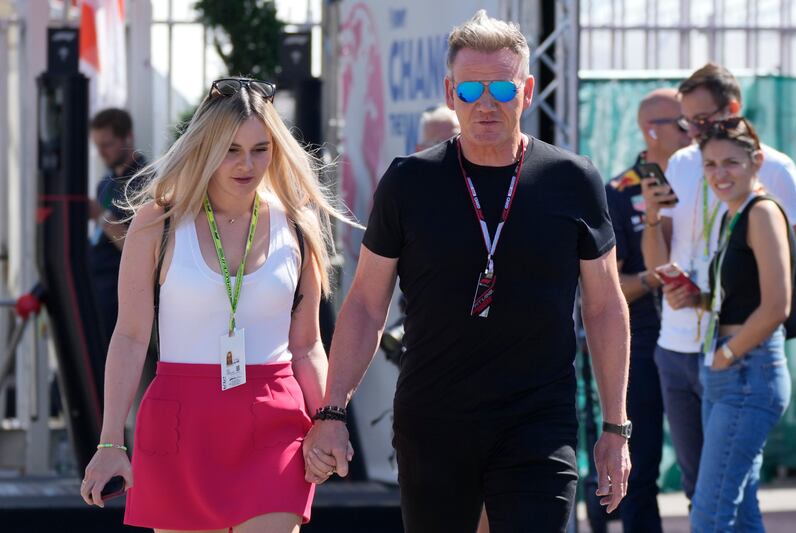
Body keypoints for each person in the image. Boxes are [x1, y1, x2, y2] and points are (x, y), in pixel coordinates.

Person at [303, 11, 632, 533]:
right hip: (434, 419)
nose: (486, 102)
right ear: (449, 90)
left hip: (538, 419)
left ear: (525, 90)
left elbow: (605, 304)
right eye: (471, 88)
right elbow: (366, 303)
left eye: (501, 86)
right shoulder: (409, 182)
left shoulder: (573, 179)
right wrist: (332, 410)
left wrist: (616, 425)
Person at [79, 78, 351, 533]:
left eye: (260, 149)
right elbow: (129, 337)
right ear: (204, 146)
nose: (246, 164)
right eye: (230, 149)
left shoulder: (298, 224)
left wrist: (329, 418)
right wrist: (110, 443)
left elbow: (306, 346)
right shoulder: (156, 222)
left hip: (273, 419)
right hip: (181, 422)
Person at [640, 63, 796, 503]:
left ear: (733, 108)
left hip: (735, 350)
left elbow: (787, 266)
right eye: (686, 121)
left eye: (703, 119)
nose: (693, 130)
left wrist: (734, 345)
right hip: (676, 345)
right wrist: (652, 216)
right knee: (702, 491)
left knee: (729, 492)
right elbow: (658, 263)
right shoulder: (683, 163)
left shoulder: (777, 171)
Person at [687, 119, 793, 531]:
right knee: (741, 514)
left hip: (747, 374)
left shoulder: (762, 213)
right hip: (731, 372)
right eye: (710, 164)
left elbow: (777, 306)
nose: (719, 173)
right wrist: (694, 297)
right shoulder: (735, 215)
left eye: (730, 162)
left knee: (710, 514)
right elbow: (740, 300)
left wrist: (726, 356)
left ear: (757, 161)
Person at [602, 88, 691, 532]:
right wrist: (659, 276)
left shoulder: (707, 177)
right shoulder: (619, 192)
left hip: (701, 339)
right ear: (652, 130)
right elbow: (609, 286)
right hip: (644, 345)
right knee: (641, 470)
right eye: (682, 123)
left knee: (707, 471)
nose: (692, 131)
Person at [88, 108, 147, 349]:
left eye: (108, 144)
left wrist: (101, 217)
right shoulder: (106, 182)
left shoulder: (146, 181)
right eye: (97, 145)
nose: (101, 152)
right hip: (96, 287)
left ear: (128, 138)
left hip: (119, 295)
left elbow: (139, 249)